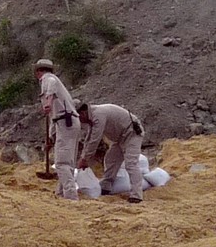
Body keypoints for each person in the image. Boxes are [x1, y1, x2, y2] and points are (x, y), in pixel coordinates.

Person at [77, 102, 145, 203]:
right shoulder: (92, 117)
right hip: (119, 138)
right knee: (111, 159)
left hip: (131, 133)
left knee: (131, 163)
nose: (79, 121)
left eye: (78, 118)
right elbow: (89, 138)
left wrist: (84, 159)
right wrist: (83, 157)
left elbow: (95, 140)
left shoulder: (98, 115)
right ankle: (106, 186)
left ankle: (137, 195)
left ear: (82, 113)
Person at [34, 58, 82, 201]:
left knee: (61, 163)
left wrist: (47, 102)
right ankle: (61, 193)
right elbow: (54, 116)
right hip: (68, 122)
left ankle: (71, 196)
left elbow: (51, 88)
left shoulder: (48, 79)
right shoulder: (54, 82)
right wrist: (50, 136)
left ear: (38, 71)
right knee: (68, 162)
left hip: (65, 122)